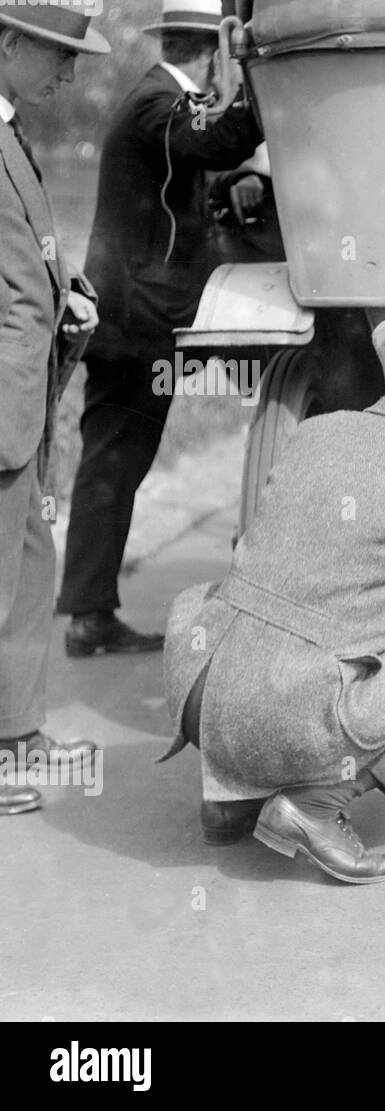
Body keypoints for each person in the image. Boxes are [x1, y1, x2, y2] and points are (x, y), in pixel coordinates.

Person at [160, 305, 385, 884]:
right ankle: (314, 804)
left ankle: (229, 798)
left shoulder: (318, 431)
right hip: (279, 706)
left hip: (201, 688)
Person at [55, 0, 263, 657]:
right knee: (113, 462)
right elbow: (218, 141)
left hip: (135, 315)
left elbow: (183, 186)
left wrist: (226, 197)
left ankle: (91, 611)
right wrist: (260, 83)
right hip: (135, 320)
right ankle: (88, 616)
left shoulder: (157, 102)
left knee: (119, 460)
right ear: (212, 51)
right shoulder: (155, 103)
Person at [0, 4, 108, 815]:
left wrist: (65, 286)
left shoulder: (10, 135)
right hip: (4, 415)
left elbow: (22, 265)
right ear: (7, 41)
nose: (68, 75)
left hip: (22, 412)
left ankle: (17, 738)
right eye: (58, 55)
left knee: (30, 572)